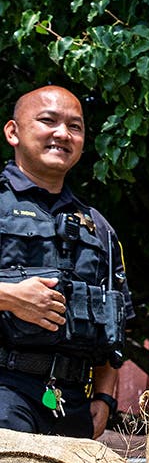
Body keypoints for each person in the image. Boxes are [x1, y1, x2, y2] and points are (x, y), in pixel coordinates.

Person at [0, 86, 131, 438]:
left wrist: (104, 398)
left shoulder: (100, 229)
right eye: (48, 121)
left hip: (71, 405)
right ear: (13, 132)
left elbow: (115, 326)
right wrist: (9, 296)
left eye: (75, 127)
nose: (62, 133)